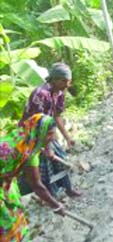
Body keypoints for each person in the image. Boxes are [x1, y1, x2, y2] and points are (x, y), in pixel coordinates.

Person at [0, 114, 68, 239]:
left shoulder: (31, 149)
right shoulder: (8, 148)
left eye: (53, 133)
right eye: (49, 134)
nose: (52, 138)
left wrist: (56, 205)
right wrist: (56, 205)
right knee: (6, 225)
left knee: (17, 222)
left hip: (7, 186)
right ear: (39, 132)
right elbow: (37, 186)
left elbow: (37, 184)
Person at [21, 62, 82, 198]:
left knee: (60, 157)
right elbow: (37, 123)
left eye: (69, 81)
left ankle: (68, 188)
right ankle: (50, 197)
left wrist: (67, 137)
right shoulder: (41, 94)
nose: (67, 85)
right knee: (45, 167)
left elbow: (57, 116)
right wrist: (46, 147)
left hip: (47, 131)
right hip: (32, 134)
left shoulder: (59, 93)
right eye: (63, 81)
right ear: (53, 79)